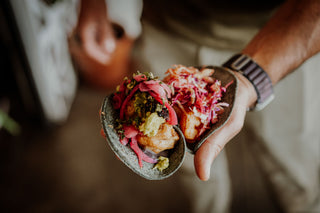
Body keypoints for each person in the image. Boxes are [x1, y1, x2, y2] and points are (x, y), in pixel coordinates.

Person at [70, 0, 320, 212]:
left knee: (294, 159)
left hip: (281, 32)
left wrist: (250, 77)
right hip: (165, 27)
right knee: (193, 171)